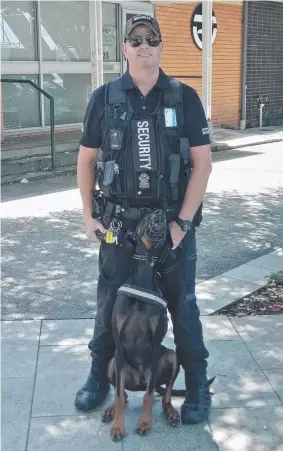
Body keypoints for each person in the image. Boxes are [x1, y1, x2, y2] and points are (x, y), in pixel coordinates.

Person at [75, 14, 213, 425]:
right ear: (124, 48)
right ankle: (98, 375)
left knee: (184, 309)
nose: (143, 45)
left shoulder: (184, 97)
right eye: (135, 39)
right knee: (106, 307)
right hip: (119, 228)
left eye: (151, 38)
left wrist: (182, 224)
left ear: (161, 46)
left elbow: (202, 166)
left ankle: (199, 384)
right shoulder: (104, 98)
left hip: (172, 229)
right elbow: (85, 161)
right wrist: (87, 215)